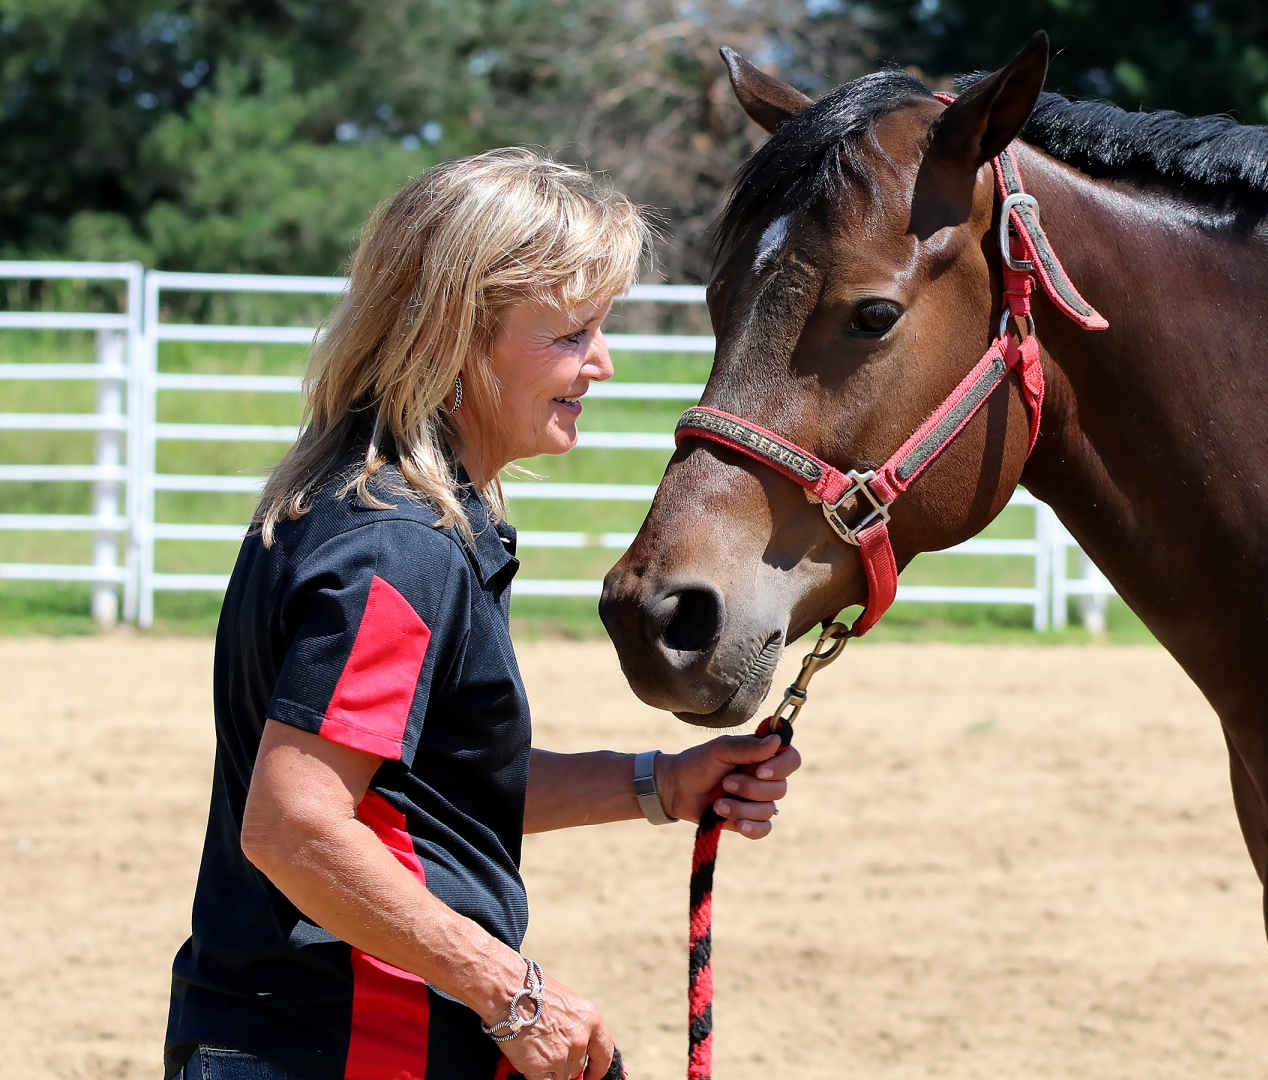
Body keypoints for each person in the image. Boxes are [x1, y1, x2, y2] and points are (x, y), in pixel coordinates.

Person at [163, 148, 798, 1080]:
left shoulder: (354, 510)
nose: (603, 364)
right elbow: (297, 826)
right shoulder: (401, 550)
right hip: (354, 1049)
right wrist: (513, 994)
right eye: (571, 334)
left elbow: (418, 792)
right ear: (455, 335)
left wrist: (661, 783)